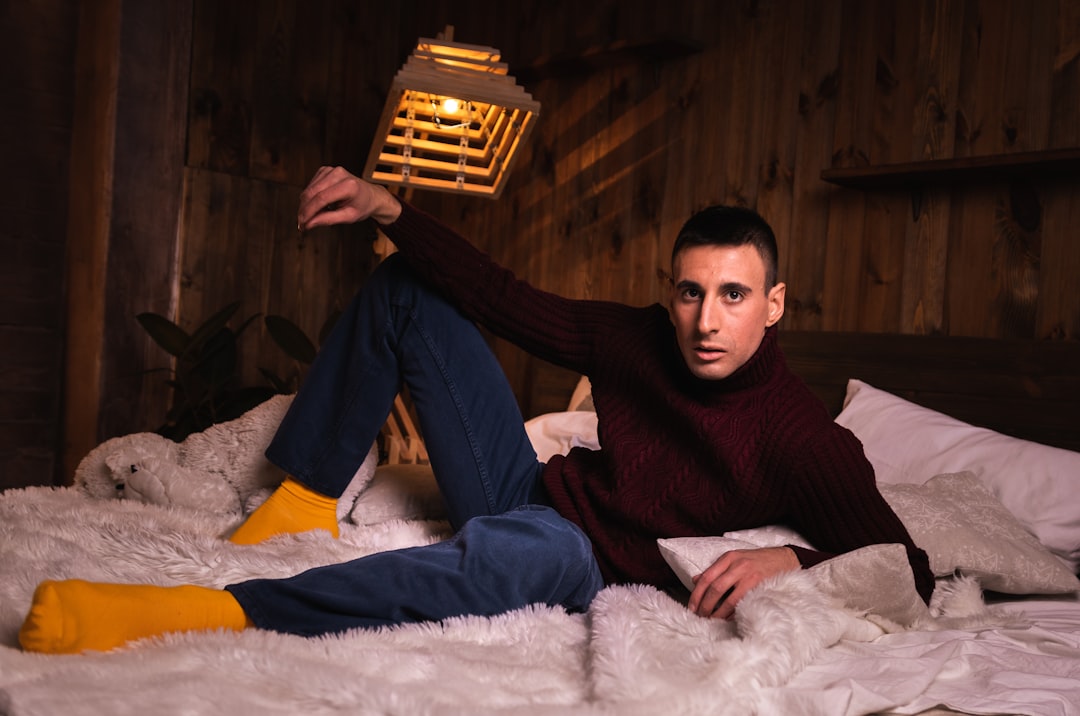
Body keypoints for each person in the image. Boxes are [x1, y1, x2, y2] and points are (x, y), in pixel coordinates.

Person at [19, 166, 934, 654]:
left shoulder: (805, 438)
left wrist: (790, 556)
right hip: (529, 485)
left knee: (497, 560)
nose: (706, 320)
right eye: (691, 293)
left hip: (580, 554)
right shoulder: (636, 339)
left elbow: (911, 570)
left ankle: (213, 611)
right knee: (407, 287)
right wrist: (392, 209)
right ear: (671, 293)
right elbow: (497, 296)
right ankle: (299, 501)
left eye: (734, 296)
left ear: (775, 304)